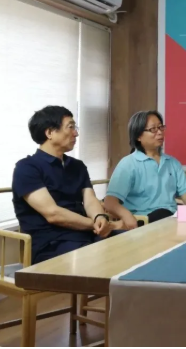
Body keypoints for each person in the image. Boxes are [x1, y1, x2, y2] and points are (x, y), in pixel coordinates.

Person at [12, 106, 123, 264]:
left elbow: (90, 200)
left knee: (132, 245)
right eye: (70, 127)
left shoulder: (77, 166)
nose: (76, 133)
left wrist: (100, 217)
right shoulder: (27, 168)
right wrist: (99, 224)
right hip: (51, 244)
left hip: (87, 235)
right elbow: (53, 214)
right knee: (103, 259)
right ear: (50, 133)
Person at [105, 110, 186, 227]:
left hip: (170, 220)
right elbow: (110, 202)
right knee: (162, 214)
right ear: (138, 136)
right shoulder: (128, 164)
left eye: (161, 127)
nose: (159, 132)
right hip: (143, 222)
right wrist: (126, 216)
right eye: (153, 129)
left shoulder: (172, 163)